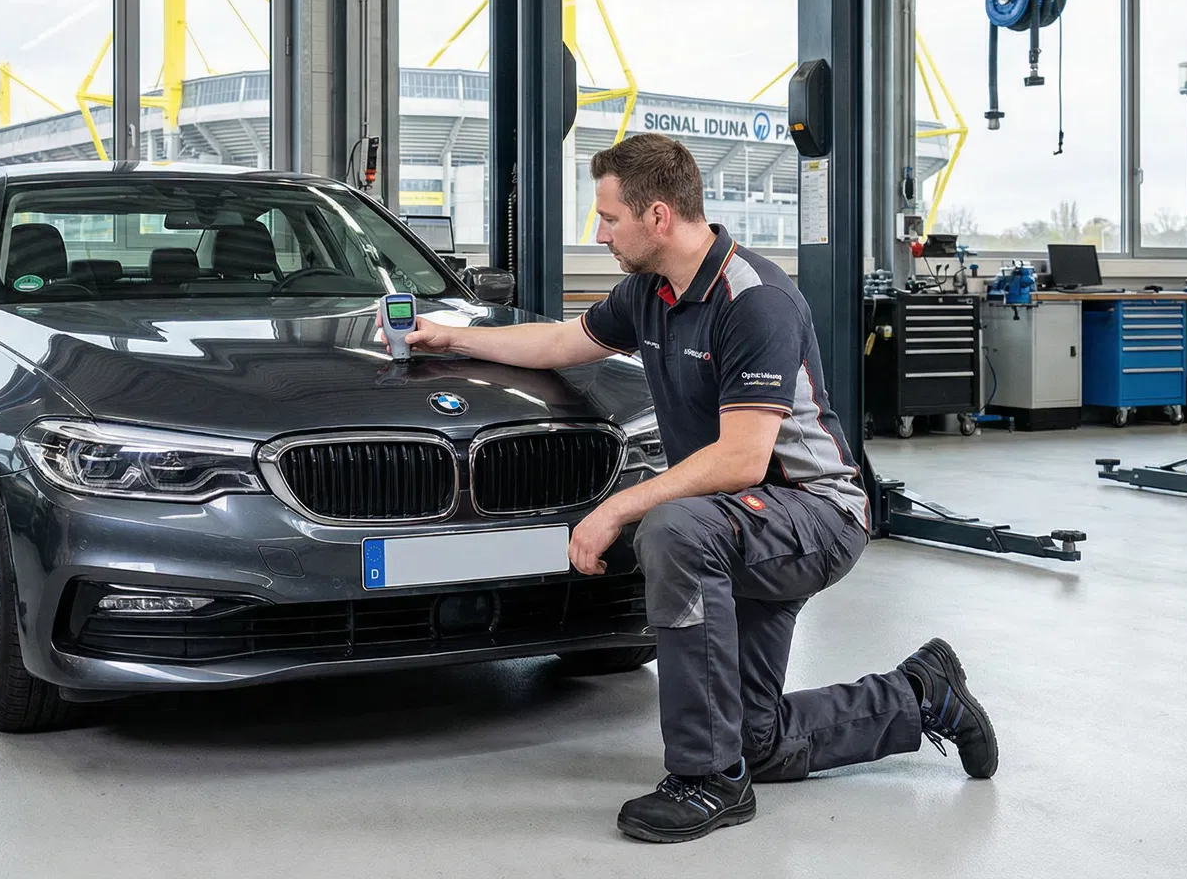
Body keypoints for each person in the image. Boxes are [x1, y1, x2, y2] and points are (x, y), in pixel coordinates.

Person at [403, 133, 997, 844]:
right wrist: (451, 339)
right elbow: (563, 342)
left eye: (609, 218)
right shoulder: (651, 291)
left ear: (658, 217)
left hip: (815, 514)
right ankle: (922, 693)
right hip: (740, 520)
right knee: (757, 739)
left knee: (673, 528)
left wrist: (616, 506)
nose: (600, 234)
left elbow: (744, 459)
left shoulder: (755, 300)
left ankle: (705, 780)